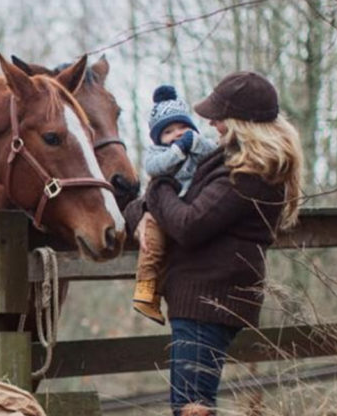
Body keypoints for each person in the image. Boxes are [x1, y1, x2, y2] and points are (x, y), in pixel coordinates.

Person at [124, 71, 303, 415]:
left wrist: (159, 185)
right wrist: (148, 211)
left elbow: (188, 224)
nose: (214, 124)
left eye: (220, 117)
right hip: (199, 298)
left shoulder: (250, 173)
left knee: (192, 407)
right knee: (189, 405)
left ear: (242, 121)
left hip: (210, 300)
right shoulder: (228, 162)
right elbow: (166, 208)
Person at [133, 84, 217, 325]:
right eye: (169, 131)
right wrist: (179, 150)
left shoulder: (199, 148)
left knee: (171, 256)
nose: (178, 134)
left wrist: (195, 143)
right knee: (152, 247)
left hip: (188, 212)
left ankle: (156, 294)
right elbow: (155, 168)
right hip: (161, 214)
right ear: (159, 137)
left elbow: (215, 152)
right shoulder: (157, 154)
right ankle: (146, 292)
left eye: (183, 128)